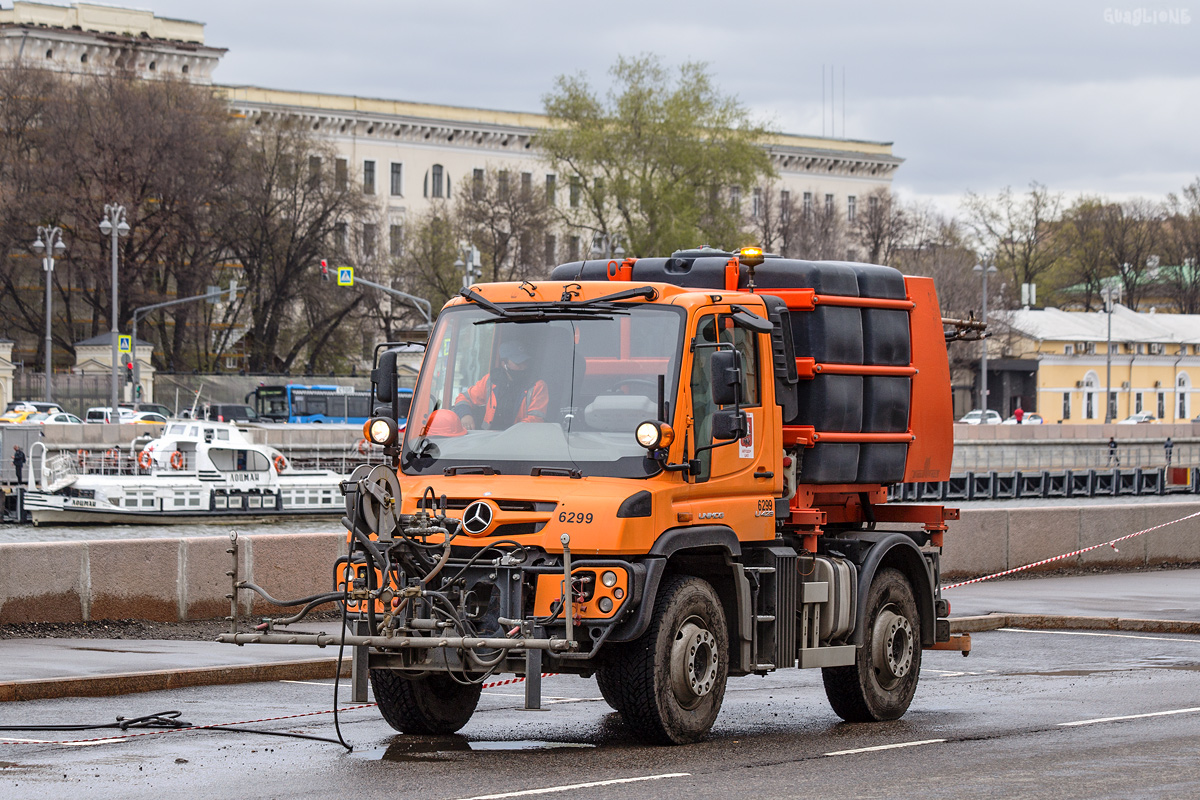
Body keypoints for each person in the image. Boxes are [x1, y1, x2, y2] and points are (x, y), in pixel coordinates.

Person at [453, 339, 548, 430]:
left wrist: (509, 435)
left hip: (520, 440)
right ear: (504, 363)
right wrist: (465, 415)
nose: (523, 367)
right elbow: (463, 398)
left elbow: (536, 420)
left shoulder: (537, 386)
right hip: (487, 438)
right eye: (518, 363)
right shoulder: (491, 380)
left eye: (524, 362)